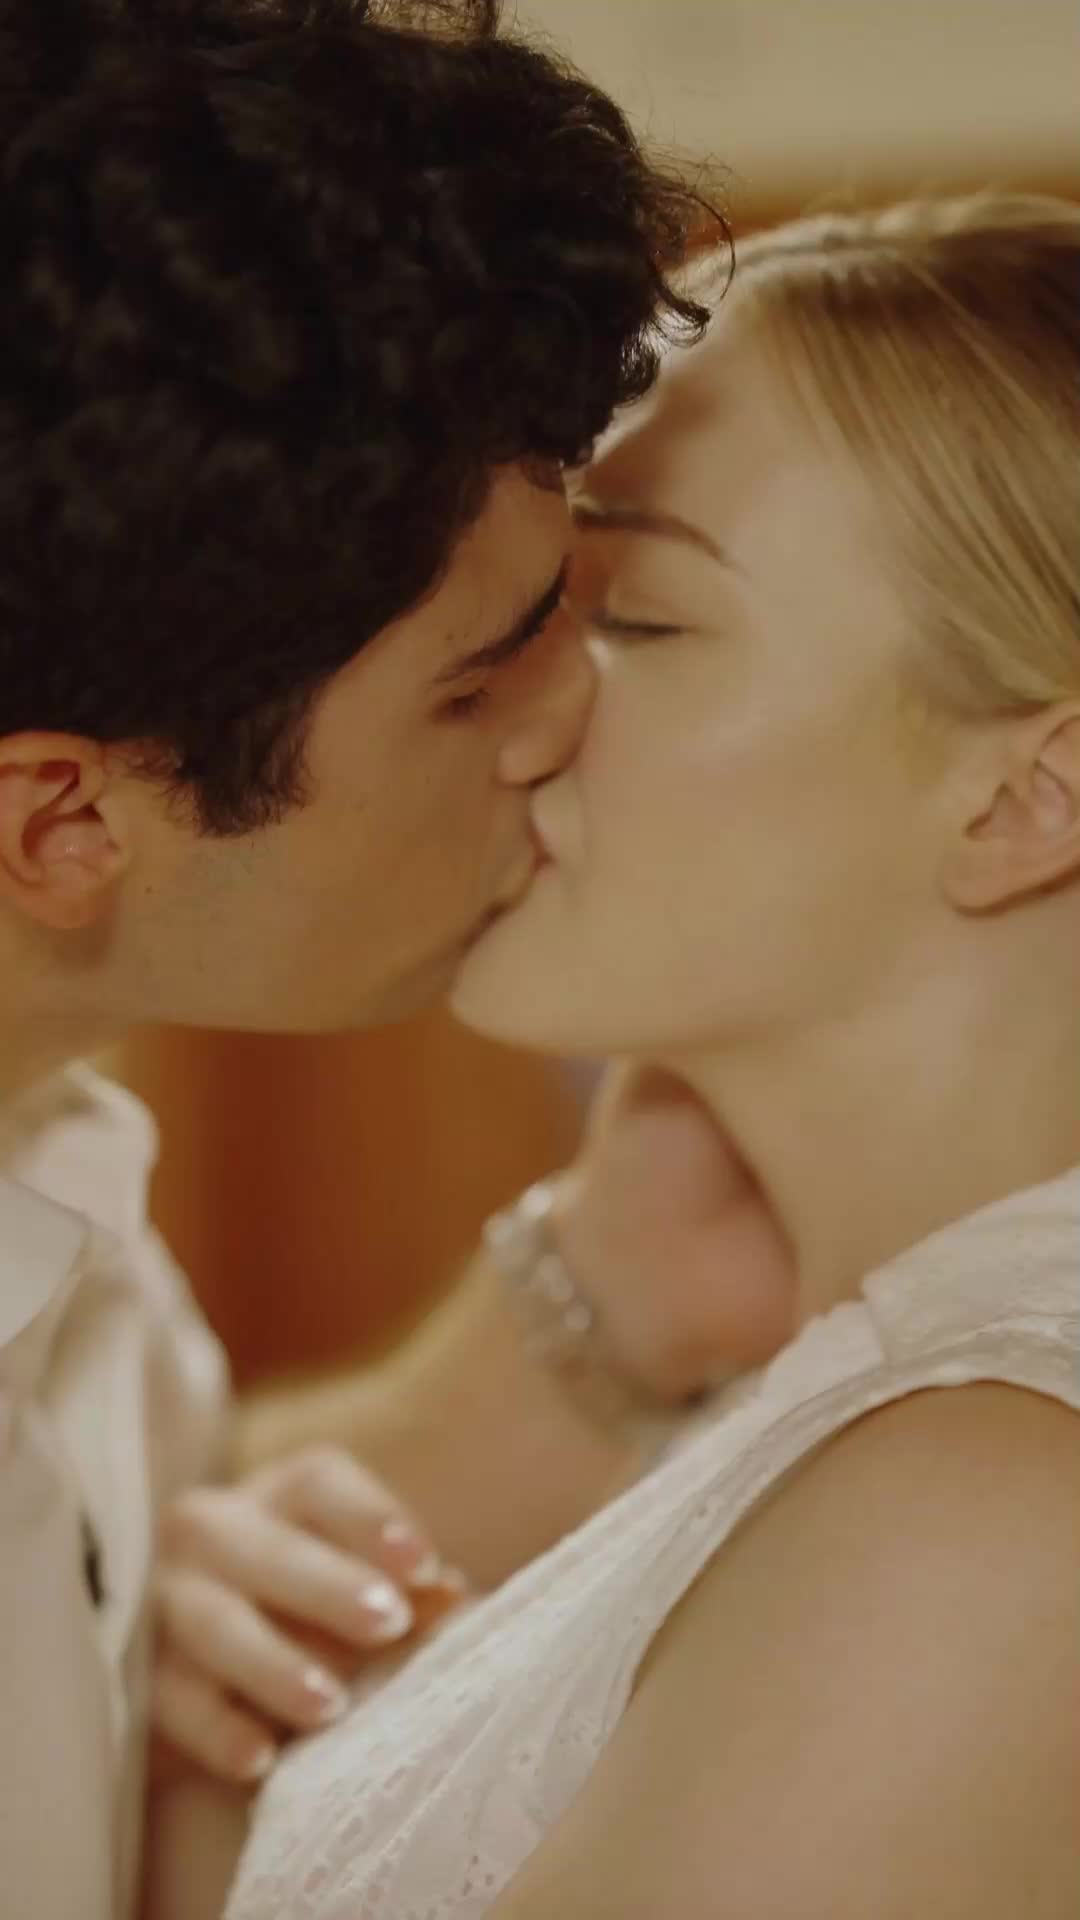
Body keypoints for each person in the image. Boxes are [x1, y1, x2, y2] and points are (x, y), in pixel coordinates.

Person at [224, 193, 1080, 1920]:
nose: (523, 707)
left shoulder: (989, 1521)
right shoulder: (857, 1403)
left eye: (637, 618)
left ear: (1024, 798)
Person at [0, 3, 772, 1916]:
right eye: (480, 679)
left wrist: (124, 1649)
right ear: (61, 823)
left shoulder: (53, 1171)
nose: (574, 717)